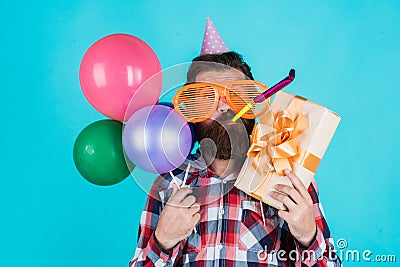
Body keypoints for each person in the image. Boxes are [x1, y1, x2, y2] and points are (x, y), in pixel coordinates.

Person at [128, 51, 341, 266]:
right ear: (191, 110)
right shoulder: (168, 185)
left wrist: (308, 237)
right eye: (207, 97)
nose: (224, 106)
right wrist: (163, 241)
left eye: (237, 94)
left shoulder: (289, 177)